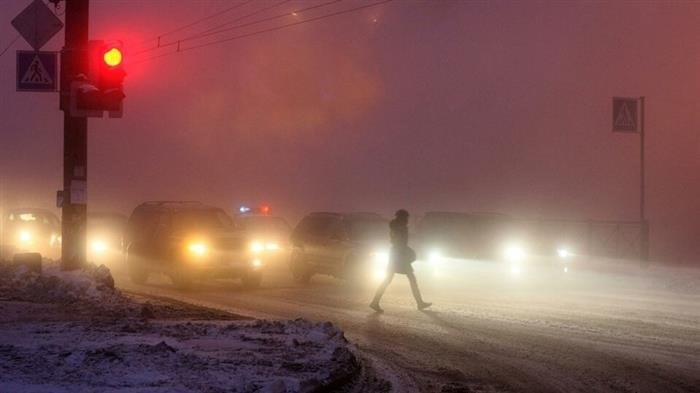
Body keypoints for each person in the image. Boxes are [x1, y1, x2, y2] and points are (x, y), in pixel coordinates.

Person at [370, 209, 432, 312]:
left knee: (389, 279)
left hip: (397, 254)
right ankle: (419, 303)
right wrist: (408, 252)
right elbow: (399, 242)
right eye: (406, 217)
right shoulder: (399, 228)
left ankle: (375, 302)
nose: (408, 220)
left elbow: (399, 241)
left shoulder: (397, 227)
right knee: (409, 279)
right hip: (399, 255)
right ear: (402, 218)